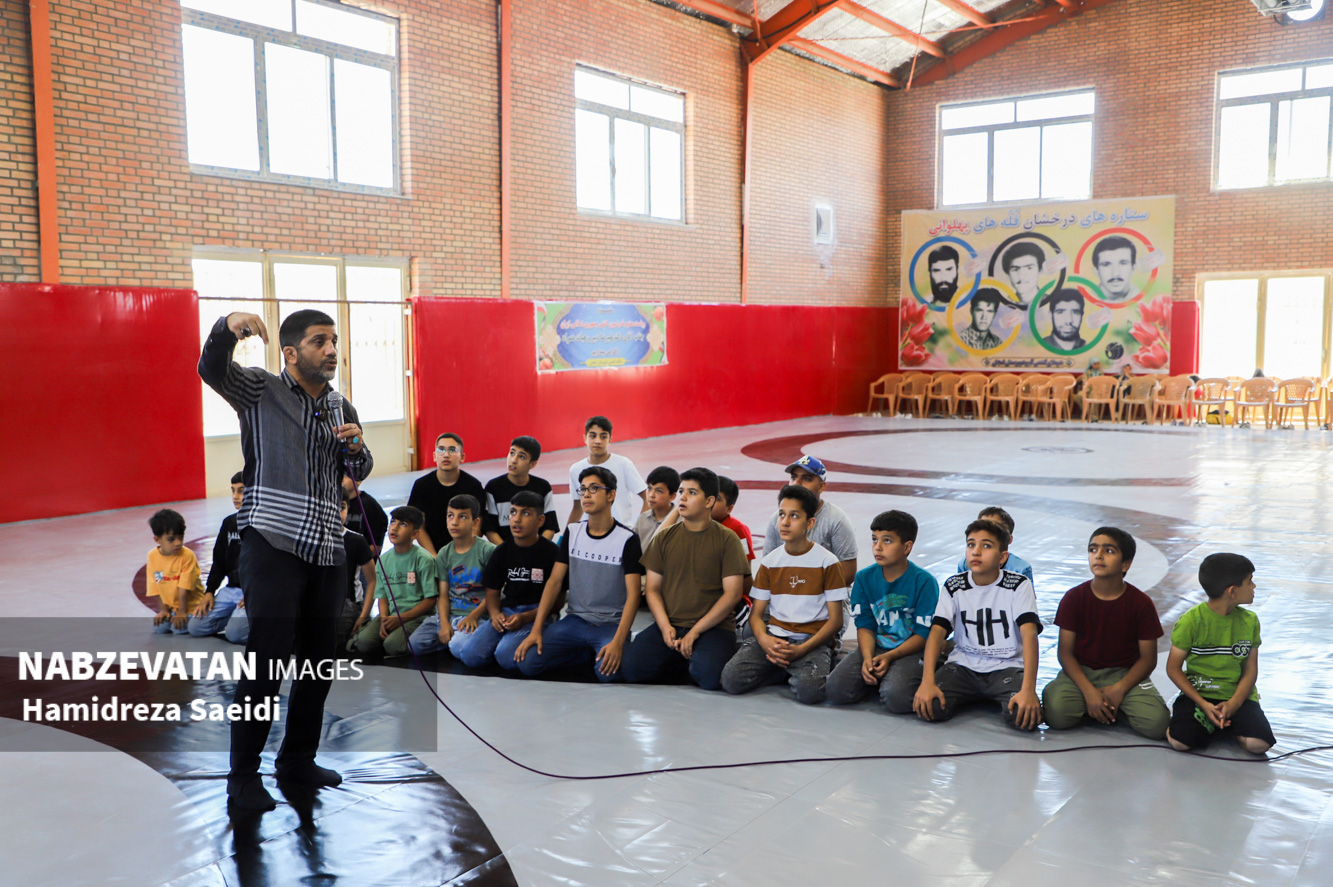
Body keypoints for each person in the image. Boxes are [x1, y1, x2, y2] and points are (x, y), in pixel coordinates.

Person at [199, 308, 372, 812]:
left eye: (334, 340)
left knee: (319, 663)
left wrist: (357, 449)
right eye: (320, 341)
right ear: (291, 353)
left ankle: (297, 760)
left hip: (326, 547)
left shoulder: (340, 406)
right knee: (266, 662)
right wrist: (227, 327)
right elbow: (212, 369)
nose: (332, 350)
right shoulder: (260, 389)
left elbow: (359, 469)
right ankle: (243, 776)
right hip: (272, 542)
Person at [620, 467, 748, 691]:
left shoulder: (728, 539)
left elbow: (733, 594)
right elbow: (652, 589)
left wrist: (695, 631)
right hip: (672, 623)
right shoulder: (664, 538)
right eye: (681, 491)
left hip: (713, 627)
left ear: (709, 501)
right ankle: (687, 658)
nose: (683, 497)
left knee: (709, 678)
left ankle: (703, 658)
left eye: (692, 492)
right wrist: (664, 626)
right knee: (632, 669)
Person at [514, 467, 644, 680]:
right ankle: (584, 655)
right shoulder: (573, 532)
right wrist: (536, 629)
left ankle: (594, 654)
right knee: (527, 662)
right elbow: (554, 582)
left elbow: (634, 595)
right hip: (574, 621)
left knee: (608, 674)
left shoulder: (628, 539)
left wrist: (619, 642)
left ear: (611, 495)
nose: (586, 494)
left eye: (594, 488)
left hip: (610, 624)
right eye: (582, 489)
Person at [720, 485, 846, 704]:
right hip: (775, 636)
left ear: (810, 523)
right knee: (731, 681)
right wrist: (765, 641)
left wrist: (801, 650)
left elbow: (836, 621)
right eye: (781, 514)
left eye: (794, 516)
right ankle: (784, 667)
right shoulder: (770, 562)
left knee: (810, 693)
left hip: (810, 640)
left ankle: (804, 664)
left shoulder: (828, 562)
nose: (785, 522)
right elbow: (756, 615)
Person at [913, 519, 1043, 730]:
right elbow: (937, 632)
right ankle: (973, 694)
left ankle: (988, 695)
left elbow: (1029, 634)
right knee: (931, 706)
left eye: (986, 546)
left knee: (1023, 717)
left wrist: (1028, 690)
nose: (976, 551)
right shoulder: (954, 585)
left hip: (1006, 666)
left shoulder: (1019, 585)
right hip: (964, 666)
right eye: (971, 544)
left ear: (1002, 557)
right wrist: (927, 681)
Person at [1041, 527, 1169, 738]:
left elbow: (1148, 659)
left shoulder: (1141, 603)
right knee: (1056, 715)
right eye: (1093, 549)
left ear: (1125, 564)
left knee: (1157, 724)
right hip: (1081, 673)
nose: (1098, 555)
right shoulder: (1074, 598)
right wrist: (1089, 691)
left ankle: (1108, 707)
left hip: (1124, 675)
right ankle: (1099, 706)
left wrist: (1119, 690)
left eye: (1109, 551)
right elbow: (1065, 653)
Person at [826, 510, 939, 712]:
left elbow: (923, 633)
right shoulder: (864, 578)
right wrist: (867, 658)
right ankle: (879, 676)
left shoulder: (924, 582)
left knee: (897, 699)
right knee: (835, 690)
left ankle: (896, 677)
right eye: (874, 539)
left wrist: (890, 657)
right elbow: (865, 624)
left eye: (887, 541)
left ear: (907, 547)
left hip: (909, 650)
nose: (877, 547)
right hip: (876, 646)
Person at [1165, 553, 1274, 754]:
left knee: (1258, 744)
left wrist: (1234, 704)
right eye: (1249, 581)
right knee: (1180, 742)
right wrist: (1203, 704)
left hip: (1237, 696)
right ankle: (1211, 721)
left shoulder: (1250, 621)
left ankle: (1222, 724)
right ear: (1232, 591)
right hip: (1199, 696)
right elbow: (1173, 668)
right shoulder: (1191, 621)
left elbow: (1250, 669)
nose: (1254, 586)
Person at [449, 491, 559, 669]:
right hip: (507, 611)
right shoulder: (501, 551)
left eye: (526, 513)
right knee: (470, 655)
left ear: (540, 521)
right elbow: (492, 592)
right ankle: (500, 646)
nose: (517, 519)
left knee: (506, 657)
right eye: (513, 512)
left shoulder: (552, 552)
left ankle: (515, 645)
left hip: (537, 613)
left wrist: (525, 617)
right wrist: (495, 615)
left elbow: (557, 602)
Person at [405, 494, 496, 656]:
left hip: (477, 615)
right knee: (414, 645)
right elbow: (443, 594)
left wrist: (473, 617)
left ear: (475, 522)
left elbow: (494, 593)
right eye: (450, 516)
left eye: (462, 517)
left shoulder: (487, 551)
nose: (454, 522)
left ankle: (466, 639)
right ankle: (456, 637)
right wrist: (444, 623)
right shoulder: (444, 553)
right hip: (450, 614)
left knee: (457, 646)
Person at [347, 506, 437, 658]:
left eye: (403, 524)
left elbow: (430, 600)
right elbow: (382, 595)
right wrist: (384, 619)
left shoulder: (424, 559)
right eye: (393, 522)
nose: (394, 528)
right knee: (363, 643)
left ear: (415, 534)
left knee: (393, 645)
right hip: (392, 615)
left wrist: (402, 619)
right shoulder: (383, 560)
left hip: (417, 616)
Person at [762, 456, 857, 587]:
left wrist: (809, 592)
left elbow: (848, 572)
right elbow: (767, 565)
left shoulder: (837, 520)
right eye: (794, 477)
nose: (796, 483)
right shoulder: (777, 519)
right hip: (786, 590)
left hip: (826, 594)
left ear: (821, 486)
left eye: (806, 479)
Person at [188, 472, 250, 644]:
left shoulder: (261, 526)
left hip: (252, 592)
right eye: (233, 491)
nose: (235, 496)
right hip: (230, 591)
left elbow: (267, 568)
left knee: (234, 634)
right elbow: (219, 561)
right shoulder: (228, 523)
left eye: (241, 491)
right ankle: (236, 617)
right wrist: (210, 592)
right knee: (196, 627)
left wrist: (255, 593)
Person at [408, 432, 487, 555]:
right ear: (434, 456)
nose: (446, 455)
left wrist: (462, 553)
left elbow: (477, 525)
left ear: (462, 457)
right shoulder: (421, 486)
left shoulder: (473, 486)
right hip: (432, 551)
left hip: (464, 551)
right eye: (441, 450)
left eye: (452, 450)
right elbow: (418, 525)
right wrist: (434, 556)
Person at [568, 415, 647, 529]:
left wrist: (639, 529)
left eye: (603, 436)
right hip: (590, 532)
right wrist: (566, 535)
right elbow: (577, 507)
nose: (598, 441)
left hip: (621, 531)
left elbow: (646, 497)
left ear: (610, 439)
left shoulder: (623, 464)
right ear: (585, 438)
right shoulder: (575, 469)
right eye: (593, 436)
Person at [484, 436, 559, 544]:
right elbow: (490, 530)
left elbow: (549, 527)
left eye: (522, 457)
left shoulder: (543, 487)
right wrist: (505, 551)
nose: (513, 460)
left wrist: (538, 549)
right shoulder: (493, 488)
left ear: (532, 464)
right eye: (512, 453)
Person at [146, 508, 205, 635]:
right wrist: (163, 610)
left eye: (181, 537)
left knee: (177, 629)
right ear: (157, 539)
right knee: (159, 628)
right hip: (171, 608)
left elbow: (184, 588)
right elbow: (155, 586)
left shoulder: (187, 555)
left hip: (191, 606)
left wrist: (182, 612)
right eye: (171, 539)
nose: (178, 543)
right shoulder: (152, 556)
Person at [335, 493, 376, 655]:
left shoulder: (356, 541)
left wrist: (363, 616)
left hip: (349, 604)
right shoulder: (314, 538)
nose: (337, 513)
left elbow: (373, 581)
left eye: (342, 508)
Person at [952, 506, 1034, 585]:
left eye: (995, 529)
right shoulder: (965, 564)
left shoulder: (1021, 569)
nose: (985, 533)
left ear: (1009, 539)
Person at [634, 465, 679, 550]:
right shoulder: (642, 518)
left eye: (659, 491)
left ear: (672, 496)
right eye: (649, 488)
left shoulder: (681, 521)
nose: (651, 495)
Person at [342, 474, 388, 555]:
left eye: (346, 476)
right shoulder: (331, 503)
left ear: (358, 480)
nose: (341, 479)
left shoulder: (370, 506)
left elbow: (375, 545)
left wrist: (359, 560)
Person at [1092, 235, 1139, 302]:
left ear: (1133, 268)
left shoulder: (1144, 297)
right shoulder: (1085, 299)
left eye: (1123, 263)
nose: (1115, 274)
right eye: (1106, 265)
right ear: (1096, 271)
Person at [1001, 241, 1046, 308]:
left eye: (1029, 268)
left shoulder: (1053, 302)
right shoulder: (1002, 306)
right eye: (1015, 269)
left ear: (1040, 271)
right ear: (1007, 275)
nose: (1021, 276)